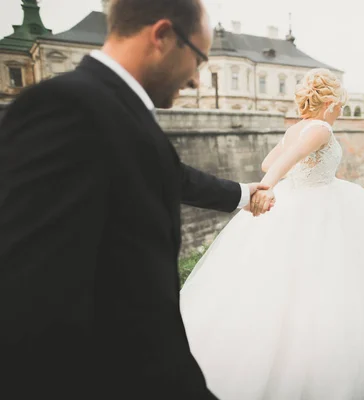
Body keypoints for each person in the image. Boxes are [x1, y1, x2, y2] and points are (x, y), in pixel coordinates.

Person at [0, 0, 270, 398]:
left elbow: (170, 175)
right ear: (162, 36)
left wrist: (244, 194)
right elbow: (32, 304)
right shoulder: (65, 107)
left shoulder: (111, 107)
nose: (197, 80)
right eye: (198, 59)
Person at [180, 68, 364, 399]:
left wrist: (275, 175)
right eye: (341, 107)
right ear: (331, 103)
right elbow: (276, 166)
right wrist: (265, 189)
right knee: (328, 280)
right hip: (319, 202)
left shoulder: (296, 129)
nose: (341, 113)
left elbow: (267, 161)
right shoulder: (320, 127)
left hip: (298, 197)